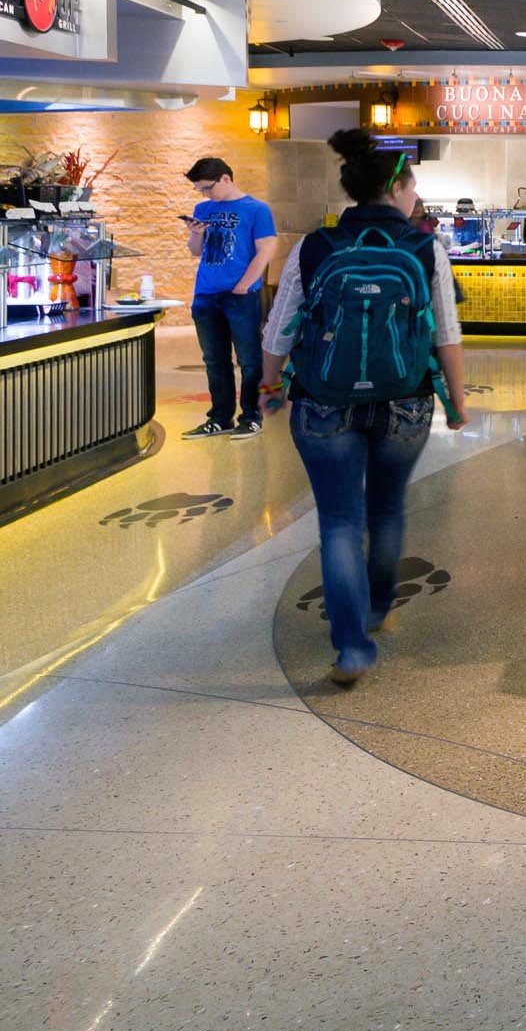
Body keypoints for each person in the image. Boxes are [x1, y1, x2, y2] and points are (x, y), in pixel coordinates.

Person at [258, 129, 467, 688]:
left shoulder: (315, 246)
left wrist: (269, 385)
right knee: (387, 510)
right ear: (396, 188)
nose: (414, 195)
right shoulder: (424, 248)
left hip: (323, 402)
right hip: (405, 400)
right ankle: (376, 607)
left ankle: (351, 647)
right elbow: (446, 335)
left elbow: (280, 328)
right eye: (412, 185)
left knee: (339, 522)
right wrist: (458, 402)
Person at [183, 155, 278, 440]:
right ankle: (219, 417)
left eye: (207, 188)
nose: (204, 194)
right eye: (199, 189)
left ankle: (251, 417)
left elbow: (266, 250)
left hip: (241, 295)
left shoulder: (257, 209)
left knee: (249, 359)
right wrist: (195, 234)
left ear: (225, 178)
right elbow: (196, 251)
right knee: (214, 359)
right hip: (206, 294)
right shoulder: (202, 209)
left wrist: (245, 284)